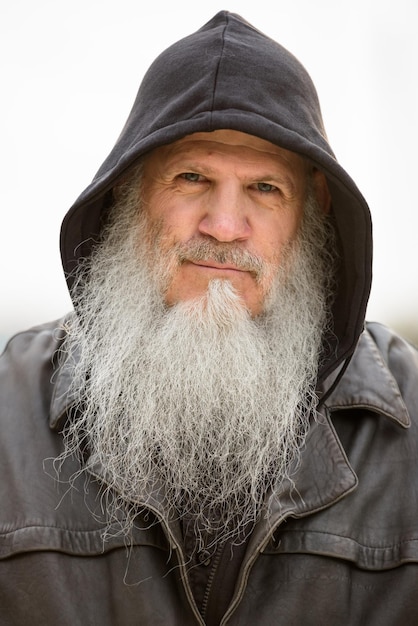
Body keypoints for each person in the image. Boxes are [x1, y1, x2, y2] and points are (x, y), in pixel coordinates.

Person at [1, 10, 418, 625]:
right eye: (192, 177)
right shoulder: (8, 410)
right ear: (128, 194)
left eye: (265, 189)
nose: (224, 226)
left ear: (312, 212)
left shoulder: (407, 417)